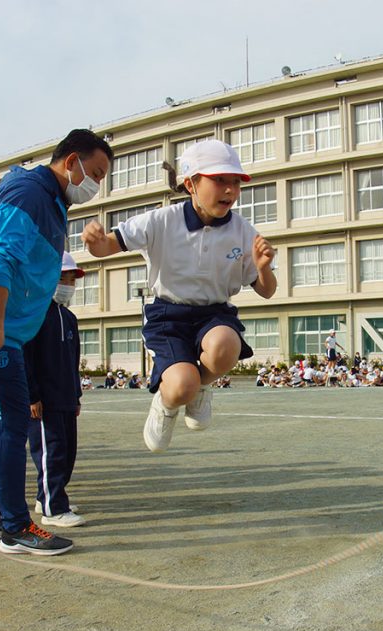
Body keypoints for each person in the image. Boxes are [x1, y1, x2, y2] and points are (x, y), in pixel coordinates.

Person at [0, 128, 112, 555]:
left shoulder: (49, 200)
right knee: (9, 425)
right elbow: (0, 259)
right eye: (94, 172)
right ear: (71, 161)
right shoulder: (31, 195)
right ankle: (16, 527)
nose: (94, 185)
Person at [82, 139, 276, 453]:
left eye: (235, 182)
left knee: (227, 345)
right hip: (167, 315)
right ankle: (167, 403)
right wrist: (94, 242)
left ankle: (203, 385)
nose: (230, 190)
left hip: (214, 314)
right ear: (190, 184)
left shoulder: (243, 231)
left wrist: (264, 267)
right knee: (181, 386)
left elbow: (266, 290)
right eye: (219, 181)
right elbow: (107, 246)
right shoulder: (161, 221)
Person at [24, 253, 85, 528]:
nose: (68, 283)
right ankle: (53, 509)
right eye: (63, 277)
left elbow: (73, 360)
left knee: (67, 452)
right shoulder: (34, 314)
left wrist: (76, 396)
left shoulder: (69, 317)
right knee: (51, 451)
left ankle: (47, 496)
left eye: (72, 279)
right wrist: (32, 395)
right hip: (43, 400)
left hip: (65, 398)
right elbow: (27, 358)